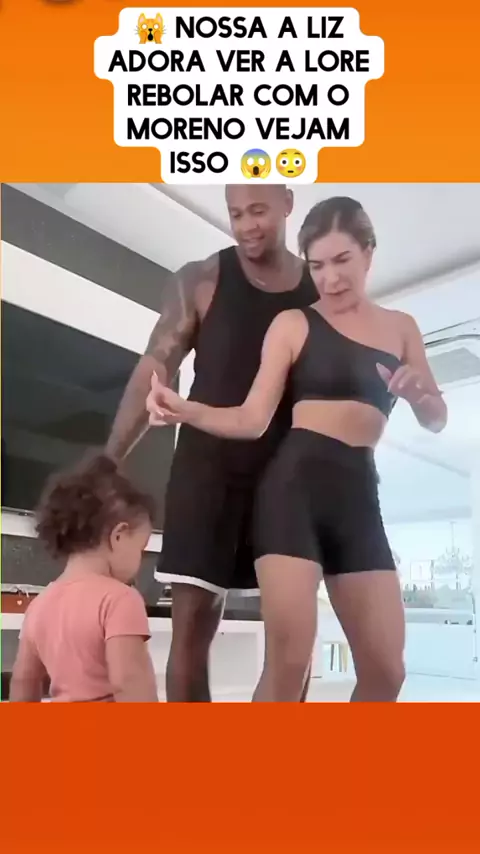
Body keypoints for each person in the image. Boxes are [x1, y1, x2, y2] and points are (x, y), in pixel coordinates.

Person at [147, 196, 448, 702]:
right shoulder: (293, 323)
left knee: (387, 670)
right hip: (293, 494)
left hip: (358, 499)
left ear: (369, 252)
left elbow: (436, 418)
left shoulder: (402, 328)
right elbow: (251, 419)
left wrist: (421, 395)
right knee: (289, 661)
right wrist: (186, 410)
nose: (330, 278)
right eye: (318, 265)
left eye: (342, 260)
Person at [106, 184, 317, 702]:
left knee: (293, 641)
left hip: (290, 478)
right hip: (207, 472)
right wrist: (110, 458)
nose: (246, 225)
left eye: (258, 211)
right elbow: (156, 366)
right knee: (191, 627)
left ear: (287, 203)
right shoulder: (200, 279)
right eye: (235, 213)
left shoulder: (322, 288)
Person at [9, 456, 158, 703]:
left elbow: (23, 681)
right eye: (140, 549)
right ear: (119, 536)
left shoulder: (40, 604)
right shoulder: (120, 599)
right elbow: (129, 680)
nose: (139, 560)